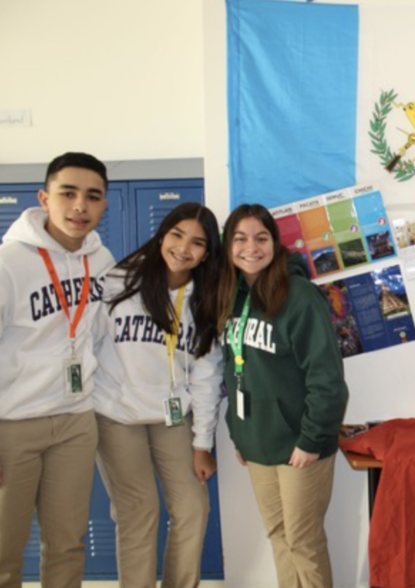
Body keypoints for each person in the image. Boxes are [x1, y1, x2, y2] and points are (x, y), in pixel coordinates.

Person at [92, 202, 224, 588]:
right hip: (116, 416)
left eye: (198, 243)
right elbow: (88, 342)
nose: (184, 248)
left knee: (193, 508)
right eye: (177, 235)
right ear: (162, 233)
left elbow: (205, 375)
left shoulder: (203, 299)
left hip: (170, 417)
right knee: (139, 510)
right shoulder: (119, 281)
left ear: (207, 253)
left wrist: (202, 444)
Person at [217, 204, 349, 588]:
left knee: (304, 542)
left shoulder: (300, 296)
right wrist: (239, 433)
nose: (250, 248)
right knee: (279, 537)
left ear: (275, 243)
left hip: (300, 445)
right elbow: (233, 370)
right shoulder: (234, 296)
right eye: (240, 239)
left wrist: (312, 439)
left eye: (261, 238)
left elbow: (327, 377)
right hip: (257, 444)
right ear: (228, 246)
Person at [0, 152, 115, 588]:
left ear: (105, 205)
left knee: (67, 544)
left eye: (92, 196)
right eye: (68, 193)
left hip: (74, 422)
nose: (80, 206)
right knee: (4, 552)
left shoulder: (102, 263)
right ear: (44, 198)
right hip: (12, 425)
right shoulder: (9, 263)